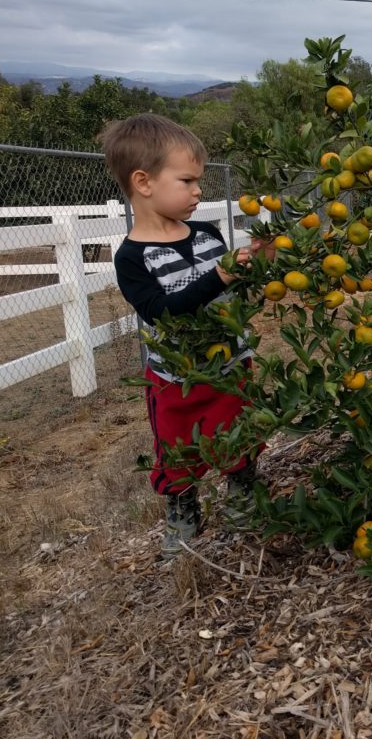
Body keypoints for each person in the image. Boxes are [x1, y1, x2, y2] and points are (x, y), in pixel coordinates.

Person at [102, 114, 260, 556]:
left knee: (241, 432)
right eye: (187, 180)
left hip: (230, 364)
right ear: (144, 182)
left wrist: (255, 265)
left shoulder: (209, 235)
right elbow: (159, 312)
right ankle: (182, 508)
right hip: (177, 378)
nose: (198, 191)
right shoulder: (133, 258)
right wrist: (221, 277)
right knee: (176, 448)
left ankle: (244, 490)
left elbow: (231, 290)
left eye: (199, 181)